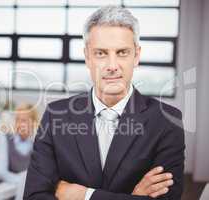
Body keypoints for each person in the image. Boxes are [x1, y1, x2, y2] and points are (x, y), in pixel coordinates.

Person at [24, 6, 185, 200]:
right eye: (101, 53)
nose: (111, 66)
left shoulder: (167, 121)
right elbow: (34, 196)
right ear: (87, 57)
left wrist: (84, 195)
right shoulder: (55, 114)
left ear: (137, 56)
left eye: (122, 52)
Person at [0, 104, 38, 184]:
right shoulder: (4, 138)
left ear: (33, 123)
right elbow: (1, 172)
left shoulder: (37, 143)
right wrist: (23, 182)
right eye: (17, 120)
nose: (19, 124)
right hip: (5, 189)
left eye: (24, 121)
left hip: (25, 190)